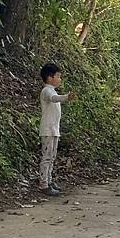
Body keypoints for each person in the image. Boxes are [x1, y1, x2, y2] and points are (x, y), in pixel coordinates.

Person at [39, 63, 74, 196]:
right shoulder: (47, 91)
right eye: (58, 76)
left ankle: (48, 180)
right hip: (47, 129)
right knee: (47, 157)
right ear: (49, 78)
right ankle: (43, 184)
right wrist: (66, 97)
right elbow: (53, 99)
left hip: (54, 129)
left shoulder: (52, 90)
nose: (60, 79)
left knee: (52, 157)